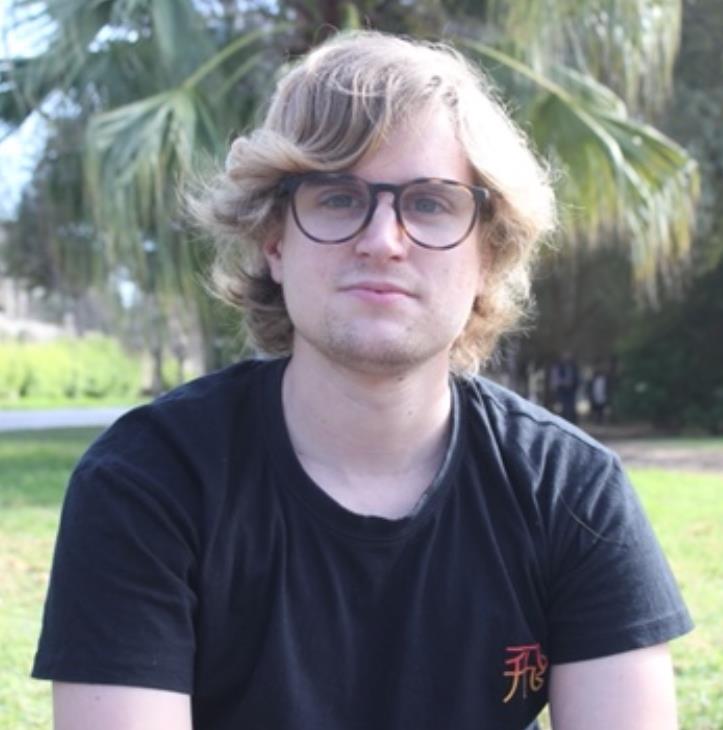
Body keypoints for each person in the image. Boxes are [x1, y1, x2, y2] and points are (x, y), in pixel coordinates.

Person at [32, 31, 692, 730]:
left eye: (431, 203)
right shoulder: (147, 482)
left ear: (487, 255)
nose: (382, 240)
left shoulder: (570, 491)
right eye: (338, 197)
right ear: (274, 242)